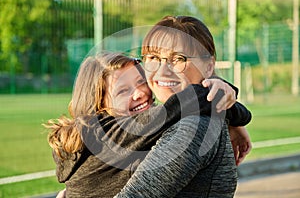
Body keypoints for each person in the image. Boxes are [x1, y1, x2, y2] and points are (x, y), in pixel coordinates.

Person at [45, 52, 250, 197]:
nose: (140, 93)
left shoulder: (99, 135)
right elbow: (180, 105)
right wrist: (228, 103)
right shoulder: (102, 131)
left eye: (141, 81)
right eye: (123, 91)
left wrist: (231, 119)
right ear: (98, 103)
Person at [112, 15, 252, 197]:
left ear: (209, 67)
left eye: (178, 58)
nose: (162, 71)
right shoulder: (179, 118)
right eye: (153, 57)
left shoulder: (192, 128)